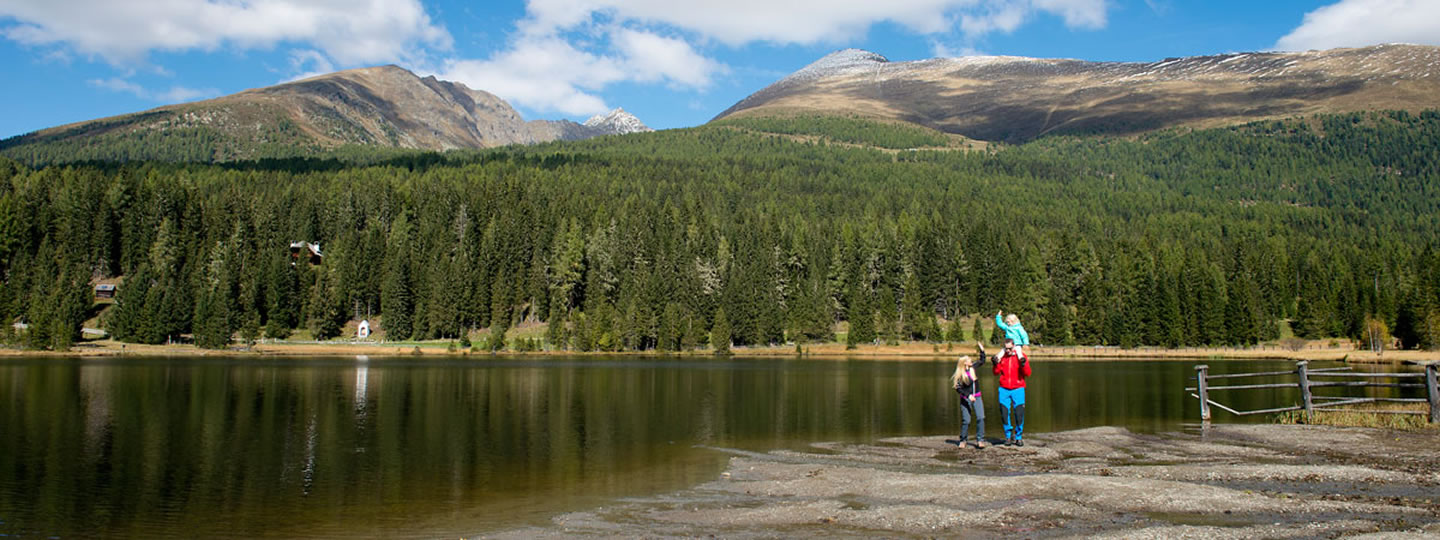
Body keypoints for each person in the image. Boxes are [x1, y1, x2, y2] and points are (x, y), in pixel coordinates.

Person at [992, 338, 1031, 446]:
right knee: (1004, 413)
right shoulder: (1002, 357)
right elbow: (996, 373)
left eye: (1010, 348)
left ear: (1014, 346)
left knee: (1019, 414)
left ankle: (1018, 437)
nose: (1008, 350)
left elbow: (1028, 373)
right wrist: (995, 364)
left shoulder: (1021, 356)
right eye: (1006, 348)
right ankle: (1008, 436)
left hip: (1018, 388)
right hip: (1004, 389)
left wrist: (1023, 364)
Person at [950, 346, 988, 449]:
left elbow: (982, 360)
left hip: (977, 397)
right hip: (965, 399)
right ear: (964, 363)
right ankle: (963, 440)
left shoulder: (973, 368)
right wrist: (968, 395)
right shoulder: (960, 375)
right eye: (968, 360)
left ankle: (980, 440)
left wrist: (982, 350)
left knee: (981, 417)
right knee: (966, 420)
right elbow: (958, 388)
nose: (971, 360)